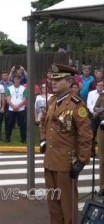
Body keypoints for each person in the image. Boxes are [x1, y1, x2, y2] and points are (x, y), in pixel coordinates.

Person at [40, 64, 92, 224]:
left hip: (66, 163)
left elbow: (86, 134)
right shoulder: (52, 101)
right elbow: (43, 122)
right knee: (53, 204)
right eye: (52, 79)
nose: (53, 82)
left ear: (69, 82)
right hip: (50, 161)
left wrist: (82, 160)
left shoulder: (76, 104)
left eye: (58, 79)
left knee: (67, 205)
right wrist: (43, 140)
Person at [5, 75, 27, 143]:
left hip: (21, 109)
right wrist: (13, 106)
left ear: (20, 80)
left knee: (22, 124)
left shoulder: (24, 89)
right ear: (13, 80)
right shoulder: (9, 88)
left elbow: (24, 99)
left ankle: (23, 139)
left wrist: (17, 106)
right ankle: (8, 138)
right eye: (15, 79)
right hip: (11, 109)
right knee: (9, 124)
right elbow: (8, 99)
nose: (17, 80)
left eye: (18, 79)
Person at [87, 80, 104, 151]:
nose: (99, 86)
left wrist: (101, 110)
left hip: (102, 117)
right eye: (98, 85)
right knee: (92, 133)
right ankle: (92, 151)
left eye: (101, 85)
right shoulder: (91, 93)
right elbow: (89, 104)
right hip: (93, 116)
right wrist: (93, 112)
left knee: (101, 135)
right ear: (96, 86)